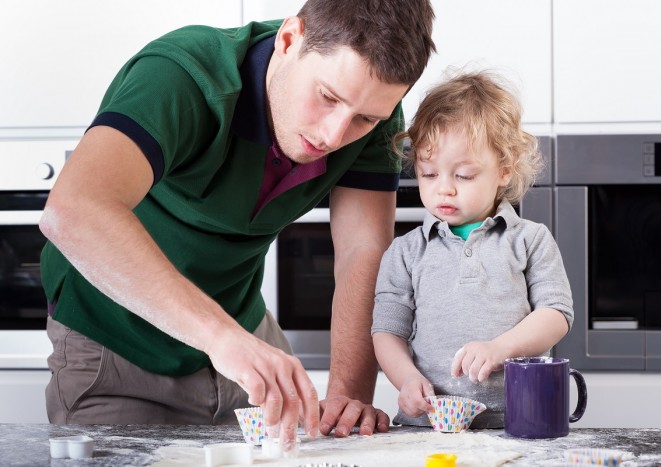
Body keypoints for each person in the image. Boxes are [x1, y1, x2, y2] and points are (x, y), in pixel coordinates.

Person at [39, 0, 435, 450]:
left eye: (365, 119)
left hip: (240, 335)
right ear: (289, 40)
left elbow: (362, 249)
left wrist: (348, 393)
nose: (334, 136)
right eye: (327, 97)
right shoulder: (182, 74)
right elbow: (74, 209)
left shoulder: (371, 113)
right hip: (114, 342)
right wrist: (222, 337)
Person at [371, 70, 574, 429]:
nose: (444, 189)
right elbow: (388, 331)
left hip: (518, 422)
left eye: (463, 175)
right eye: (429, 174)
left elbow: (556, 315)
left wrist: (501, 349)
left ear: (504, 171)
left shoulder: (531, 240)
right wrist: (406, 380)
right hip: (428, 427)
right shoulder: (404, 252)